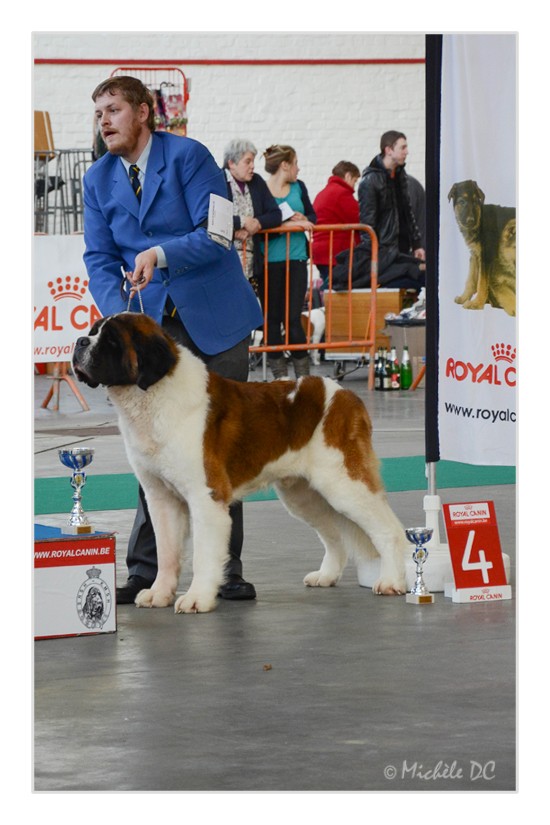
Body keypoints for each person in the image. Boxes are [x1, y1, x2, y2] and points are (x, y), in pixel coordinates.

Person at [82, 76, 263, 604]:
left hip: (216, 321)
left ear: (142, 112)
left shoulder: (190, 157)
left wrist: (157, 255)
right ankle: (148, 572)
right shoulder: (97, 179)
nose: (105, 120)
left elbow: (218, 234)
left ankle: (227, 571)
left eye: (113, 109)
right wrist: (120, 322)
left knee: (223, 447)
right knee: (151, 449)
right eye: (99, 113)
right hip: (149, 331)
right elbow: (98, 258)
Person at [333, 131, 425, 290]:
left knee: (422, 276)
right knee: (416, 278)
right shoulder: (370, 181)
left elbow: (407, 212)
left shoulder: (400, 176)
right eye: (402, 147)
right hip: (385, 253)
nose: (407, 151)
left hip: (401, 250)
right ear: (388, 150)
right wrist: (375, 259)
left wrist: (417, 244)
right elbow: (367, 223)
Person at [261, 144, 316, 379]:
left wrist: (304, 218)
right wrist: (289, 226)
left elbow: (313, 216)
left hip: (296, 258)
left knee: (293, 318)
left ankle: (304, 377)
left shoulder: (299, 187)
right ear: (285, 165)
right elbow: (260, 224)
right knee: (272, 319)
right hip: (269, 261)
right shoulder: (262, 190)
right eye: (295, 163)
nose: (298, 168)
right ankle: (280, 378)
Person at [223, 138, 282, 296]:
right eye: (247, 161)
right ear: (231, 163)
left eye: (253, 161)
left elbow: (276, 214)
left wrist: (255, 224)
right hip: (225, 261)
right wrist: (241, 223)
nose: (252, 166)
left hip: (252, 264)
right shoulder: (218, 181)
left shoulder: (256, 182)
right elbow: (211, 219)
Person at [312, 161, 360, 288]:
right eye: (354, 181)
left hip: (321, 253)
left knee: (329, 289)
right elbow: (359, 218)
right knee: (337, 290)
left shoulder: (323, 193)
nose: (354, 187)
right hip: (335, 253)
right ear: (348, 176)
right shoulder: (342, 193)